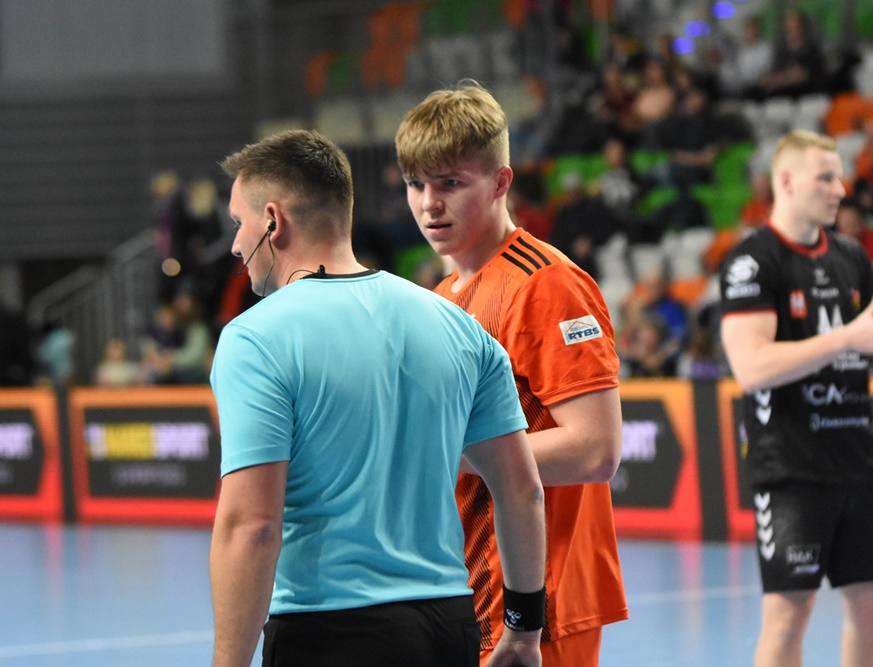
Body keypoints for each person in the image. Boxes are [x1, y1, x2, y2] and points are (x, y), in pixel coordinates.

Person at [209, 129, 547, 667]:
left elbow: (253, 525)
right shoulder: (458, 326)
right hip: (449, 626)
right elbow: (522, 489)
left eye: (237, 223)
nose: (234, 244)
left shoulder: (255, 339)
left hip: (329, 631)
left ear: (273, 220)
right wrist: (525, 630)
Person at [396, 83, 628, 667]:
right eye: (416, 184)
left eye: (451, 183)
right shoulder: (441, 297)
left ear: (501, 182)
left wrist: (437, 449)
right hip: (464, 594)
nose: (429, 204)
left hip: (537, 608)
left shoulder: (547, 284)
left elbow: (596, 450)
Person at [718, 130, 873, 667]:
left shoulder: (852, 257)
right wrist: (844, 338)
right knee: (789, 617)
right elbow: (751, 368)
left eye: (840, 177)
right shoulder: (752, 262)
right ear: (786, 181)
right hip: (791, 471)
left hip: (858, 464)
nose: (841, 189)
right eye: (826, 178)